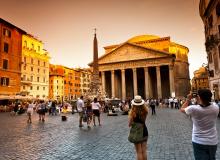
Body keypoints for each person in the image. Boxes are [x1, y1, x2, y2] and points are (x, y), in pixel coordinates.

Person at [180, 89, 219, 160]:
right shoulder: (216, 107)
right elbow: (204, 105)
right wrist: (200, 99)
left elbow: (182, 109)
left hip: (199, 141)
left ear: (200, 97)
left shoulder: (193, 109)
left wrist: (188, 99)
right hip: (213, 141)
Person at [128, 95, 148, 160]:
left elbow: (130, 124)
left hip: (137, 132)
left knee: (139, 152)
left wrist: (133, 122)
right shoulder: (145, 111)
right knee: (144, 151)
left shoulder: (132, 112)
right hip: (144, 131)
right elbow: (143, 121)